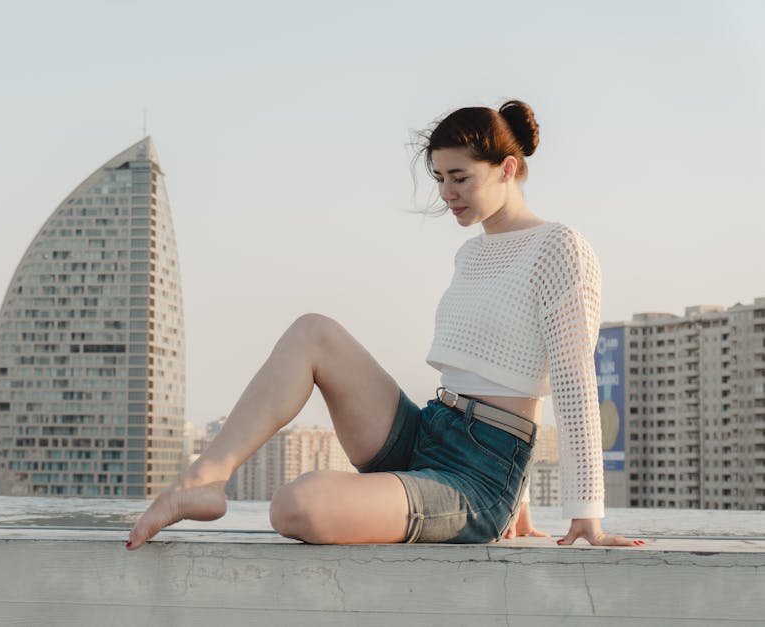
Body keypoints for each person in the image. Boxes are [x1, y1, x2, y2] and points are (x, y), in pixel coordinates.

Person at [126, 100, 643, 550]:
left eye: (460, 177)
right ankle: (205, 479)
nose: (447, 192)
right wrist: (525, 504)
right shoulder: (471, 254)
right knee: (314, 331)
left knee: (294, 506)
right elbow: (498, 362)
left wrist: (585, 516)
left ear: (508, 169)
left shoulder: (559, 247)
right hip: (430, 428)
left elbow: (573, 381)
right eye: (439, 178)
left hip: (476, 477)